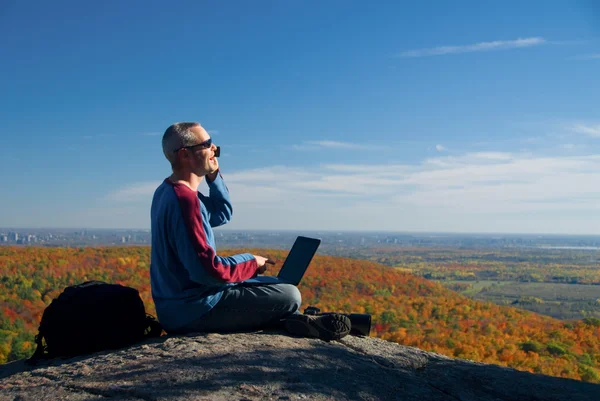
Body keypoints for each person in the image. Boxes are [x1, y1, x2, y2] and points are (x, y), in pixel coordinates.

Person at [150, 122, 350, 341]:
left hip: (180, 303)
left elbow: (221, 213)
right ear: (184, 154)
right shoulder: (185, 201)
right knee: (290, 295)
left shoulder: (169, 192)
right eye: (207, 144)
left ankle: (297, 320)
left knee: (276, 285)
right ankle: (296, 319)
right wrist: (251, 262)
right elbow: (208, 272)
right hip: (192, 309)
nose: (215, 149)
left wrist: (214, 175)